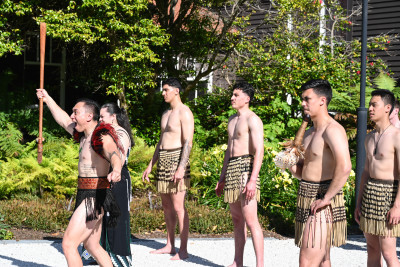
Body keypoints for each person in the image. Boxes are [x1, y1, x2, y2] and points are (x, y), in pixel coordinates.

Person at [36, 89, 123, 267]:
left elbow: (114, 154)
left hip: (95, 197)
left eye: (76, 112)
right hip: (86, 195)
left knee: (68, 244)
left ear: (89, 116)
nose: (72, 116)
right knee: (91, 245)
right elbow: (63, 120)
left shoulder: (101, 136)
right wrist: (48, 98)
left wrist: (117, 169)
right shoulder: (83, 136)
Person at [289, 79, 351, 267]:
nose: (302, 103)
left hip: (323, 201)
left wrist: (327, 198)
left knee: (307, 261)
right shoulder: (309, 133)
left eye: (307, 99)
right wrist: (291, 166)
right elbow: (303, 172)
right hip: (306, 196)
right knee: (323, 260)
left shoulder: (333, 130)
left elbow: (345, 166)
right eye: (302, 99)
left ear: (322, 101)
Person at [142, 77, 194, 260]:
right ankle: (170, 244)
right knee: (166, 206)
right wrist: (151, 164)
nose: (163, 93)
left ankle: (184, 249)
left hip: (176, 160)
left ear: (176, 91)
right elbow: (161, 141)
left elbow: (188, 142)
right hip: (163, 159)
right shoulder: (165, 114)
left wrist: (181, 167)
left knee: (179, 207)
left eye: (166, 90)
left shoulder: (184, 112)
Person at [215, 81, 264, 267]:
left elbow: (259, 150)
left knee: (252, 221)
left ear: (247, 98)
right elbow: (229, 150)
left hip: (246, 167)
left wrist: (252, 179)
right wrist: (222, 178)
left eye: (236, 95)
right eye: (232, 94)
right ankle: (238, 262)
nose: (232, 98)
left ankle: (260, 265)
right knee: (237, 220)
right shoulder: (231, 120)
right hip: (233, 168)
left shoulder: (253, 119)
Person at [81, 102, 134, 266]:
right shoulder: (105, 132)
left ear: (113, 116)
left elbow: (119, 156)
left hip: (117, 177)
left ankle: (119, 257)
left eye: (103, 117)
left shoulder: (121, 133)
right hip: (103, 176)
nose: (101, 120)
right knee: (98, 216)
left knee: (116, 217)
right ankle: (95, 251)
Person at [355, 89, 400, 267]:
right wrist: (358, 203)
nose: (370, 108)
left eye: (375, 105)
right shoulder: (369, 137)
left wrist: (397, 206)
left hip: (388, 195)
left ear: (387, 108)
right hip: (370, 196)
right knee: (372, 249)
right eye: (370, 105)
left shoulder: (397, 136)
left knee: (389, 252)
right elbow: (365, 172)